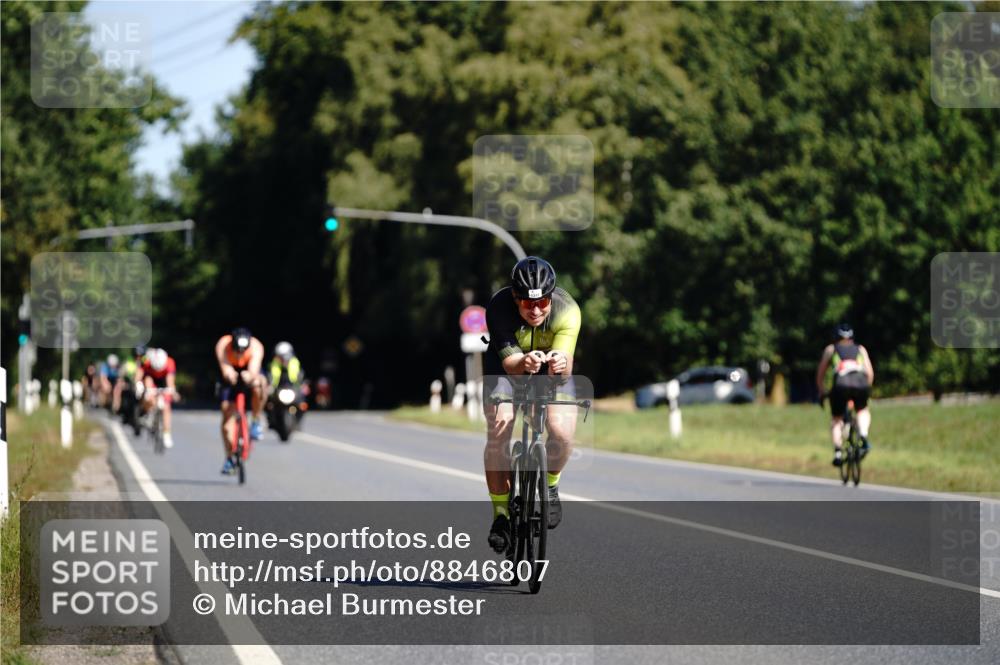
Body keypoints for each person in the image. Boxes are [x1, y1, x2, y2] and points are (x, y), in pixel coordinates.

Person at [482, 256, 581, 553]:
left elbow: (565, 370)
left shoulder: (568, 311)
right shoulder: (499, 307)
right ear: (515, 298)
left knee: (561, 432)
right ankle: (501, 514)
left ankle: (550, 485)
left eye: (542, 303)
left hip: (549, 373)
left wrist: (560, 363)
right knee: (499, 429)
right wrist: (524, 361)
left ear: (552, 296)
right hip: (505, 368)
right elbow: (511, 362)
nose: (536, 310)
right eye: (527, 303)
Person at [816, 323, 875, 466]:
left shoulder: (831, 349)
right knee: (862, 410)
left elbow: (820, 374)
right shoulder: (860, 349)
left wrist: (822, 391)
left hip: (840, 385)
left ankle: (837, 451)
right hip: (861, 383)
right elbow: (870, 373)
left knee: (836, 419)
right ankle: (863, 436)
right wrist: (867, 390)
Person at [214, 327, 267, 474]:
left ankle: (256, 420)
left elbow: (254, 370)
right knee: (226, 417)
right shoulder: (223, 344)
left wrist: (250, 376)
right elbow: (225, 368)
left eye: (243, 351)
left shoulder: (256, 347)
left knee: (260, 385)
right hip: (229, 374)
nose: (239, 354)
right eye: (236, 350)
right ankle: (230, 457)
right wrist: (230, 374)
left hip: (248, 372)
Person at [141, 348, 177, 448]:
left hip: (163, 381)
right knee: (148, 397)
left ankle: (166, 433)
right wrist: (148, 392)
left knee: (166, 407)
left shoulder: (169, 362)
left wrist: (172, 392)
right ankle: (148, 413)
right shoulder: (147, 362)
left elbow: (170, 381)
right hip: (151, 379)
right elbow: (146, 378)